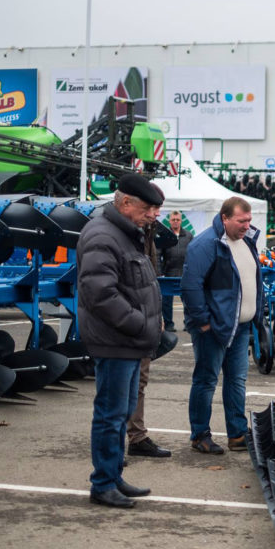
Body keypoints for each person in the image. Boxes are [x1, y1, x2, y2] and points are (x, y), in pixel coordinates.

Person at [77, 173, 164, 509]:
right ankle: (102, 484)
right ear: (125, 202)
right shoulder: (103, 235)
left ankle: (113, 476)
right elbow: (100, 294)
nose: (154, 215)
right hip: (116, 340)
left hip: (128, 341)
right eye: (149, 208)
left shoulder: (126, 233)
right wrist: (142, 324)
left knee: (122, 412)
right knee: (111, 414)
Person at [181, 197, 263, 455]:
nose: (246, 225)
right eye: (241, 221)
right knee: (206, 380)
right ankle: (200, 435)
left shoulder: (246, 241)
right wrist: (204, 323)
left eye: (249, 220)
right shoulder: (206, 244)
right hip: (214, 328)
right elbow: (190, 286)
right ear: (225, 218)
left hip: (240, 328)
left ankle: (237, 435)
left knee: (237, 381)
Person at [127, 196, 173, 460]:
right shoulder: (117, 235)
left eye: (158, 209)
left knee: (139, 381)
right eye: (151, 209)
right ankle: (112, 448)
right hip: (128, 324)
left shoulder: (146, 232)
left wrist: (157, 315)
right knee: (120, 384)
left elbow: (150, 279)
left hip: (145, 320)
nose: (156, 214)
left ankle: (137, 437)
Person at [159, 210, 193, 332]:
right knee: (166, 302)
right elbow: (158, 254)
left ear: (181, 221)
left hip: (185, 272)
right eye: (173, 220)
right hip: (168, 272)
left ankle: (188, 323)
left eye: (177, 220)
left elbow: (193, 253)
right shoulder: (165, 235)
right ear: (169, 221)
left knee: (188, 300)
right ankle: (168, 324)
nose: (175, 222)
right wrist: (159, 272)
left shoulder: (188, 235)